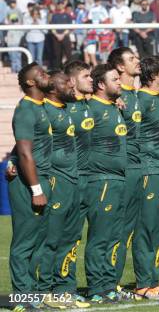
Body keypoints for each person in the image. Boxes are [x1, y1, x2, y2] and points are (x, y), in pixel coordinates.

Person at [37, 70, 89, 308]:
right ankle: (43, 290)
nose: (71, 85)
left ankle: (64, 289)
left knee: (70, 238)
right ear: (51, 87)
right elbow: (28, 141)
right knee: (52, 238)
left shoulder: (69, 109)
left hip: (74, 180)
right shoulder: (42, 110)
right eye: (66, 82)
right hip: (56, 180)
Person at [8, 63, 53, 310]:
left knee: (39, 242)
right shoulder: (26, 109)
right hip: (30, 184)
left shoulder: (42, 106)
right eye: (42, 75)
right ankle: (21, 298)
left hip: (43, 178)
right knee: (24, 242)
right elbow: (25, 153)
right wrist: (36, 190)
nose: (47, 76)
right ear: (31, 83)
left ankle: (32, 293)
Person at [83, 64, 129, 301]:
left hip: (120, 179)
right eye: (115, 79)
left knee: (114, 238)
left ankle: (109, 285)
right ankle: (96, 288)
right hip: (101, 180)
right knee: (100, 237)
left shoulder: (116, 108)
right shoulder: (90, 109)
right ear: (101, 84)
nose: (120, 83)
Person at [133, 56, 159, 299]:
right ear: (152, 75)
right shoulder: (142, 99)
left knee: (158, 230)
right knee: (146, 229)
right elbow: (134, 136)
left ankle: (154, 282)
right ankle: (143, 285)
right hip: (148, 170)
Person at [107, 47, 142, 300]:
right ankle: (107, 285)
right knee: (117, 231)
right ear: (119, 67)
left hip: (142, 169)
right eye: (131, 59)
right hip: (122, 170)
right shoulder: (115, 97)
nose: (137, 61)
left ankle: (118, 283)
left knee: (133, 231)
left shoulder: (137, 95)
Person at [62, 61, 94, 299]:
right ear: (72, 82)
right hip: (70, 180)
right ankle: (62, 290)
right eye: (86, 76)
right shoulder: (65, 109)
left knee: (83, 237)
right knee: (65, 237)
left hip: (91, 181)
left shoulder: (89, 106)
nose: (91, 79)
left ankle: (84, 288)